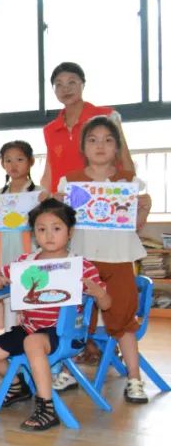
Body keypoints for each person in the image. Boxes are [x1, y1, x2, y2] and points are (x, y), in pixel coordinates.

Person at [0, 200, 109, 431]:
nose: (49, 235)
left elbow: (107, 304)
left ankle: (46, 407)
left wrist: (98, 293)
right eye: (41, 229)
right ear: (34, 233)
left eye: (56, 228)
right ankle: (18, 386)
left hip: (65, 333)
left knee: (33, 343)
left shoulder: (81, 266)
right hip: (30, 328)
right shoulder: (24, 262)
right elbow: (1, 276)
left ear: (69, 232)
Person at [51, 117, 152, 403]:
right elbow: (60, 226)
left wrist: (144, 208)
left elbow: (136, 225)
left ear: (117, 148)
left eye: (108, 140)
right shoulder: (70, 181)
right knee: (75, 319)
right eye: (93, 140)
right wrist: (56, 204)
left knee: (123, 320)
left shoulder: (128, 182)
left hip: (119, 258)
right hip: (82, 260)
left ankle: (134, 378)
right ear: (83, 147)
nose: (100, 145)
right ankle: (67, 371)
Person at [40, 62, 134, 191]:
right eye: (59, 84)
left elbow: (124, 158)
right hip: (64, 198)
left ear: (83, 84)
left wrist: (131, 192)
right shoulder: (50, 130)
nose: (65, 89)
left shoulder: (107, 116)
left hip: (103, 195)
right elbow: (49, 171)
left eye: (72, 82)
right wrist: (43, 197)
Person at [0, 141, 38, 270]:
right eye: (8, 160)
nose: (13, 165)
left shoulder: (39, 193)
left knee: (28, 278)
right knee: (1, 278)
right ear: (2, 164)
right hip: (2, 247)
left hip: (29, 246)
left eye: (19, 159)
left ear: (31, 161)